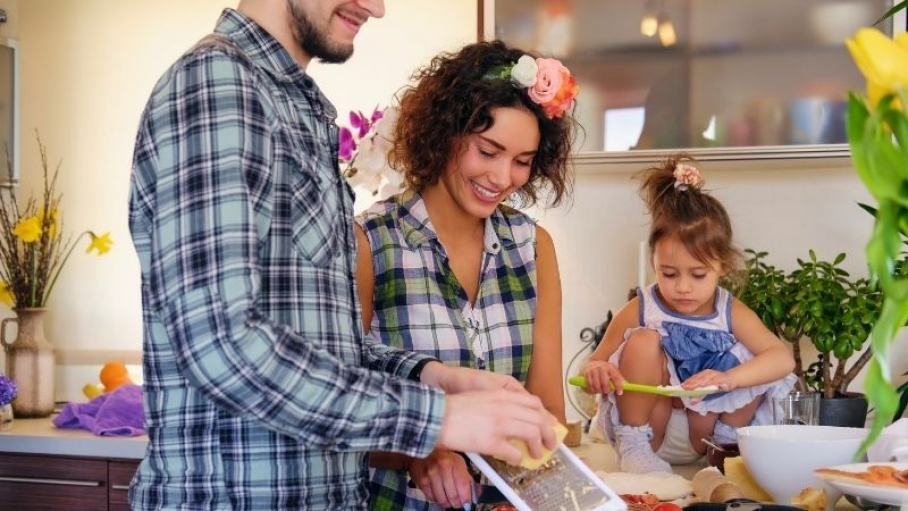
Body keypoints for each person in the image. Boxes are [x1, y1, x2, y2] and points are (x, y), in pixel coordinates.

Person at [127, 2, 559, 509]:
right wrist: (437, 419)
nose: (376, 7)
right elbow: (220, 344)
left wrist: (430, 376)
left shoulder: (292, 106)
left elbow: (327, 350)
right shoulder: (216, 85)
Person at [354, 41, 579, 510]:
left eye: (522, 161)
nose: (502, 177)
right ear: (446, 134)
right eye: (488, 151)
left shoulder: (533, 247)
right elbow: (338, 409)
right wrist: (425, 451)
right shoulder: (370, 243)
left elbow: (546, 415)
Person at [580, 155, 796, 474]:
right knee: (643, 340)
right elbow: (591, 366)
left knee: (756, 360)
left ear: (722, 266)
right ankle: (633, 442)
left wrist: (727, 379)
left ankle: (726, 447)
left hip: (711, 437)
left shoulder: (728, 310)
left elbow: (783, 360)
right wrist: (596, 370)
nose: (683, 288)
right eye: (668, 274)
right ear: (653, 261)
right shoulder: (642, 306)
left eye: (697, 275)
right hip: (653, 434)